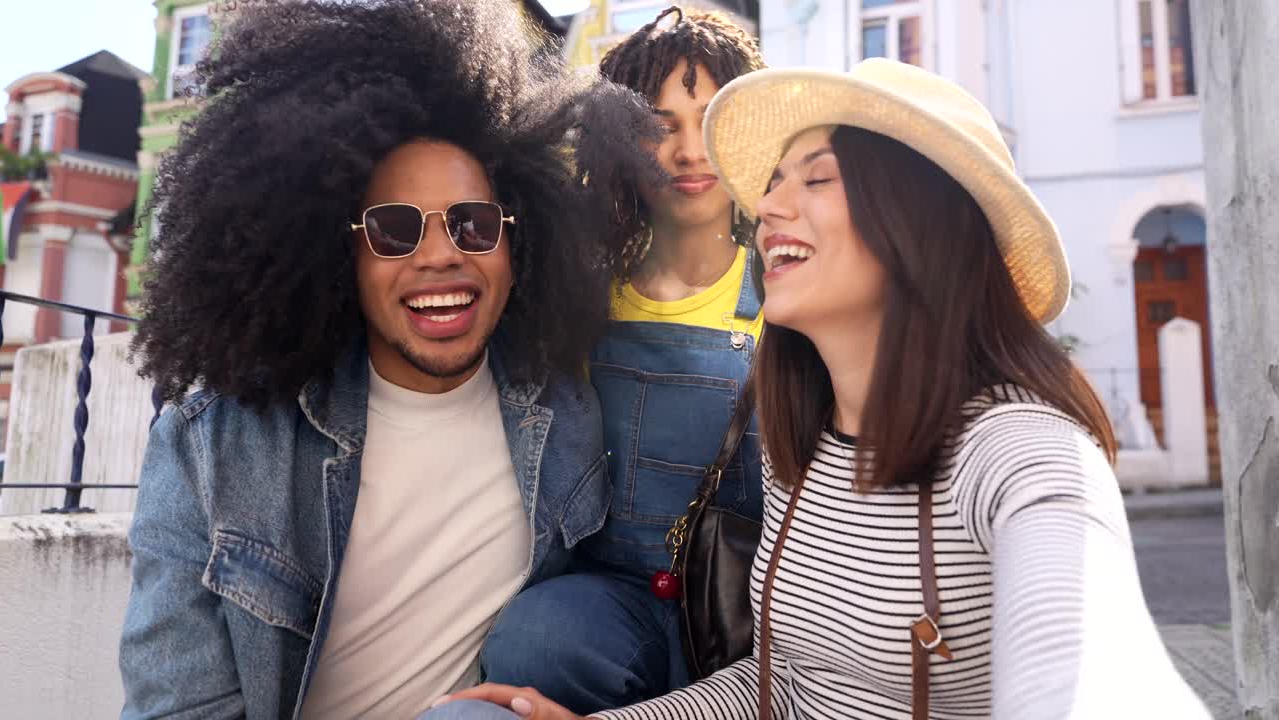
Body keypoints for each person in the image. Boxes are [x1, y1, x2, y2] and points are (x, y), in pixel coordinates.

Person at [440, 60, 1213, 719]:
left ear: (918, 222)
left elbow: (1093, 670)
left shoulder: (1021, 451)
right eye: (774, 183)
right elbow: (779, 687)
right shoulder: (799, 443)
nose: (769, 207)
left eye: (817, 178)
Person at [116, 1, 658, 718]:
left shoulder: (564, 415)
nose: (441, 253)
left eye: (473, 223)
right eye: (394, 229)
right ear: (340, 253)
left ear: (516, 243)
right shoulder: (214, 449)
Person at [479, 7, 768, 713]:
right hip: (612, 600)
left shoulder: (787, 293)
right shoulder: (581, 297)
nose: (689, 152)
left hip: (748, 601)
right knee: (531, 641)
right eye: (659, 126)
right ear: (617, 145)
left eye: (710, 120)